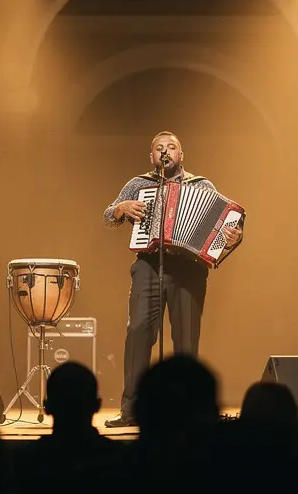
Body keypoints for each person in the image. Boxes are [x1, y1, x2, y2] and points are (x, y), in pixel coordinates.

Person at [102, 131, 243, 428]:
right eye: (159, 148)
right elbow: (107, 216)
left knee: (186, 338)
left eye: (172, 147)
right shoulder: (138, 184)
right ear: (151, 156)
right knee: (139, 332)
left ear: (181, 155)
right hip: (149, 264)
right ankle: (131, 410)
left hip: (189, 268)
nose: (165, 152)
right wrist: (121, 208)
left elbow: (226, 225)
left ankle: (189, 410)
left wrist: (232, 236)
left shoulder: (201, 185)